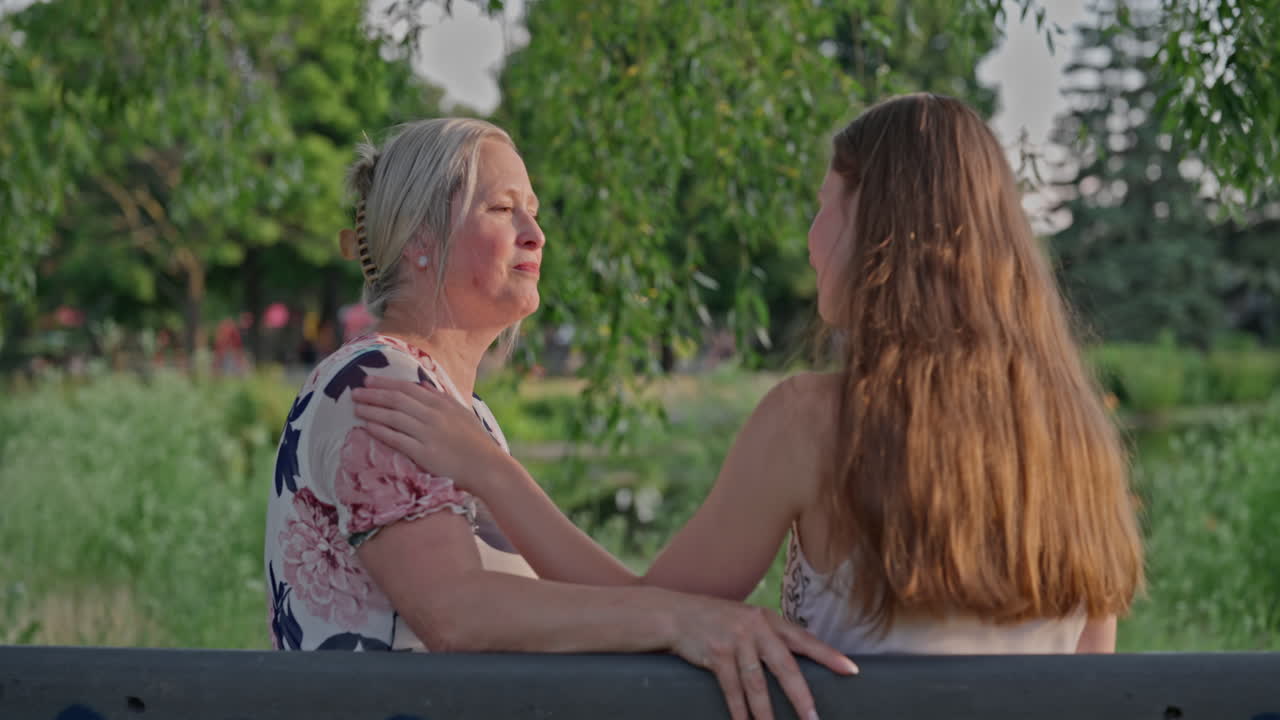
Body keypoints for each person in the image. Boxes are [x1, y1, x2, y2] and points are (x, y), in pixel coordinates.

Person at [351, 94, 1145, 656]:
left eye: (826, 205)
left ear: (877, 230)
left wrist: (490, 471)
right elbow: (1089, 681)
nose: (810, 238)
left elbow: (650, 611)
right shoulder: (1079, 448)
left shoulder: (816, 421)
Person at [263, 118, 856, 720]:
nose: (536, 233)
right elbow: (456, 614)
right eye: (503, 208)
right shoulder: (377, 378)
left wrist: (687, 618)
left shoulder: (463, 415)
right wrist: (682, 619)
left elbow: (589, 607)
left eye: (534, 211)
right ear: (421, 237)